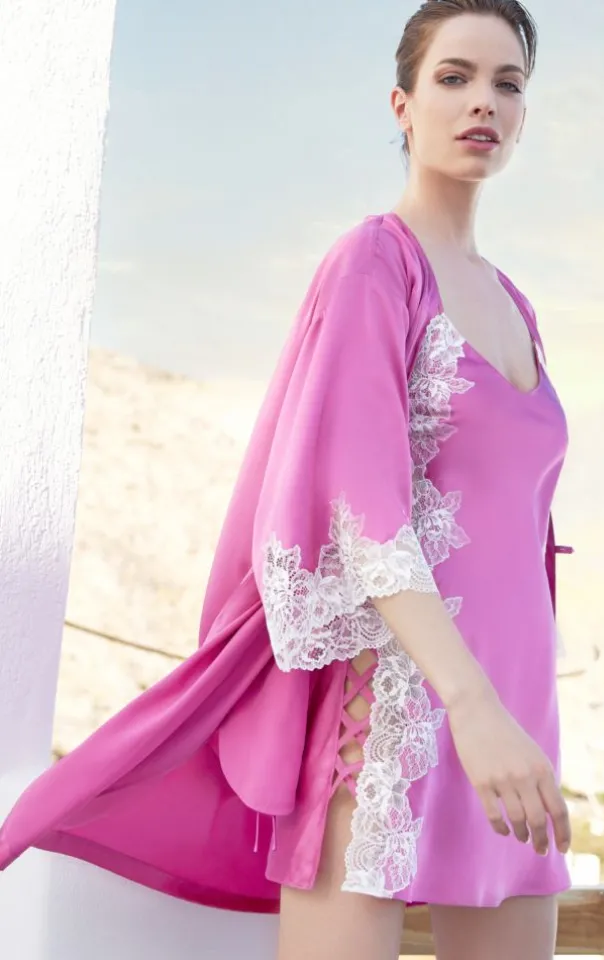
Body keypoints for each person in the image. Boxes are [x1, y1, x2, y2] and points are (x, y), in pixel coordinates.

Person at [0, 1, 574, 957]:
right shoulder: (374, 264)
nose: (484, 101)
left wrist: (505, 715)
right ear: (402, 105)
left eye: (507, 84)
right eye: (455, 77)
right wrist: (468, 708)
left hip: (518, 717)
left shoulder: (516, 303)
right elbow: (361, 508)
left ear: (524, 113)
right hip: (393, 710)